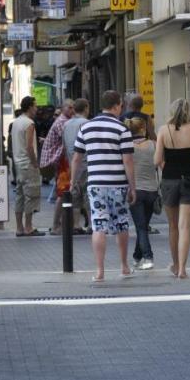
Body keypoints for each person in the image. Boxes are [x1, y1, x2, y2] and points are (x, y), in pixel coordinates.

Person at [72, 90, 135, 281]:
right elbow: (128, 160)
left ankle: (100, 271)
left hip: (96, 183)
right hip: (118, 184)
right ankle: (124, 266)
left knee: (98, 225)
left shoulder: (86, 128)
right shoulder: (122, 129)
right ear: (117, 106)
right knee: (121, 223)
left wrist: (73, 181)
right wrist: (133, 186)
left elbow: (77, 158)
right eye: (121, 105)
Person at [154, 98, 190, 278]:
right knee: (185, 227)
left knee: (173, 226)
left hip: (169, 180)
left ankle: (174, 265)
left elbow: (157, 160)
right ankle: (183, 268)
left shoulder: (163, 130)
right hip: (189, 179)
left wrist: (166, 164)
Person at [128, 117, 159, 270]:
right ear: (143, 129)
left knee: (141, 227)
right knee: (143, 225)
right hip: (152, 190)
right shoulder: (154, 144)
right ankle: (136, 257)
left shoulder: (127, 147)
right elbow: (160, 163)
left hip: (136, 191)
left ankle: (148, 257)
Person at [10, 96, 44, 236]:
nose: (36, 109)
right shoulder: (29, 123)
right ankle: (28, 227)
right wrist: (35, 162)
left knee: (20, 196)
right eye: (35, 106)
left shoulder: (16, 122)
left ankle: (19, 228)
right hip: (28, 164)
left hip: (18, 164)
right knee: (31, 195)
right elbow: (30, 146)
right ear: (29, 107)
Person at [41, 100, 75, 234]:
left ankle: (61, 224)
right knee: (62, 194)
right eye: (69, 107)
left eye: (73, 107)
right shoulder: (62, 122)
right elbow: (69, 140)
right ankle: (56, 226)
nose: (72, 110)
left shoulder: (65, 120)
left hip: (60, 161)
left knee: (64, 193)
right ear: (63, 108)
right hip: (60, 161)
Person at [63, 99, 91, 232]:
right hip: (86, 164)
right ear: (86, 108)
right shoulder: (87, 123)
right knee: (88, 195)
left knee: (75, 195)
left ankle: (76, 225)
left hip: (72, 163)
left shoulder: (66, 124)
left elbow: (64, 145)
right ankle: (91, 225)